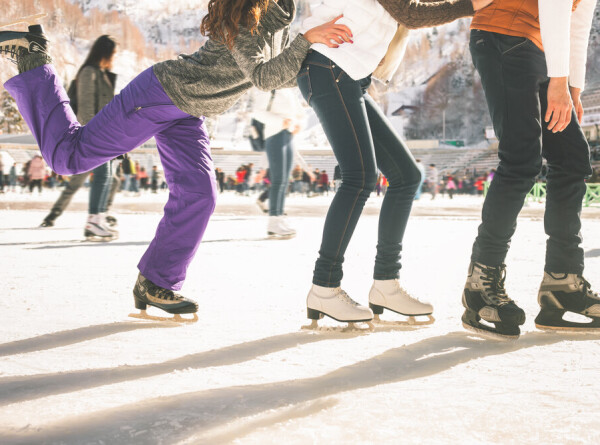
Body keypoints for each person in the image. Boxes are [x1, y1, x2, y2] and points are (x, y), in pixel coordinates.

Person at [0, 0, 352, 321]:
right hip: (160, 95)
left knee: (200, 195)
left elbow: (277, 72)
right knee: (67, 157)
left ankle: (155, 283)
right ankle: (33, 57)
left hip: (188, 111)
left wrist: (326, 57)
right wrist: (306, 41)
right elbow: (262, 77)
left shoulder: (280, 10)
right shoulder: (250, 14)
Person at [298, 0, 492, 327]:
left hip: (347, 75)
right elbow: (411, 13)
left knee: (406, 175)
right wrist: (471, 5)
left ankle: (386, 284)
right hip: (329, 65)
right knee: (359, 177)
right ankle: (324, 286)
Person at [462, 0, 599, 339]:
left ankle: (562, 281)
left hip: (539, 47)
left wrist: (572, 88)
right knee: (521, 159)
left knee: (571, 159)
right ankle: (481, 281)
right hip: (502, 36)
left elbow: (577, 21)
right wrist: (558, 81)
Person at [40, 35, 120, 242]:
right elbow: (86, 109)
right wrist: (96, 136)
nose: (114, 58)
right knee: (101, 178)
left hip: (105, 135)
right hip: (94, 135)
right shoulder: (88, 73)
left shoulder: (102, 74)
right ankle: (93, 222)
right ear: (105, 52)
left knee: (109, 178)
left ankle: (98, 218)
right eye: (113, 53)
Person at [251, 88, 304, 237]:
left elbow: (299, 112)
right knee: (278, 180)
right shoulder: (269, 87)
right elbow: (257, 112)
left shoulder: (289, 89)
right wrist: (282, 121)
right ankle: (274, 221)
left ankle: (279, 217)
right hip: (274, 134)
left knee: (284, 181)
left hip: (288, 134)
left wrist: (297, 123)